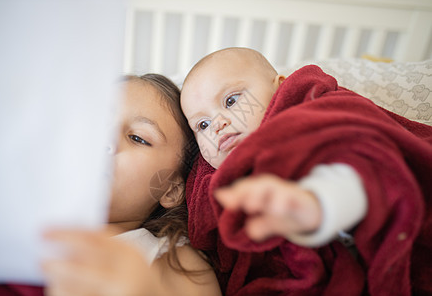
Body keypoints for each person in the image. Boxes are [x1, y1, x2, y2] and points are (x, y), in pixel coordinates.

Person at [180, 47, 432, 295]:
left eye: (231, 101)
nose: (217, 125)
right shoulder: (212, 184)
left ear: (280, 87)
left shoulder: (312, 109)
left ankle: (319, 205)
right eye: (202, 124)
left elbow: (367, 151)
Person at [41, 74, 221, 296]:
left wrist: (146, 289)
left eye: (138, 138)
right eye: (98, 124)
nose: (107, 140)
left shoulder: (172, 255)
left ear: (171, 190)